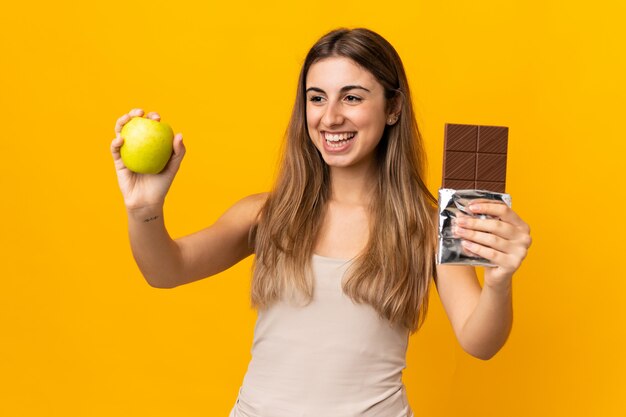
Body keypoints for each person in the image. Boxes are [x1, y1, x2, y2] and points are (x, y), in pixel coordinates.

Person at [110, 28, 531, 417]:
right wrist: (143, 209)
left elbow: (480, 342)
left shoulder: (427, 223)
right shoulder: (267, 213)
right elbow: (166, 271)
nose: (330, 117)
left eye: (352, 97)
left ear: (393, 108)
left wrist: (498, 279)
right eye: (316, 98)